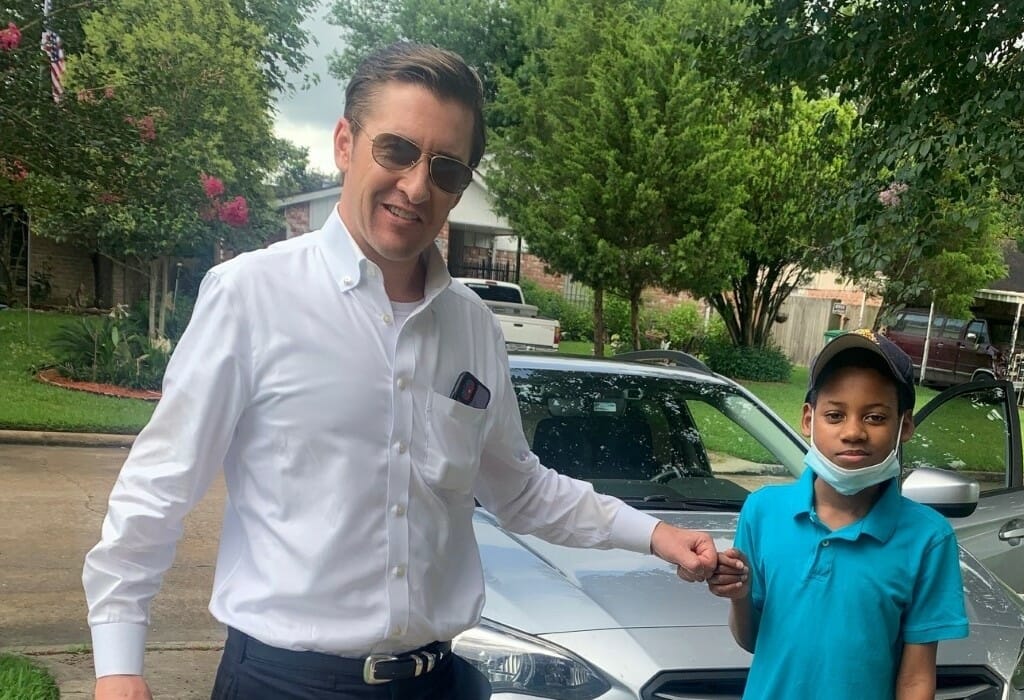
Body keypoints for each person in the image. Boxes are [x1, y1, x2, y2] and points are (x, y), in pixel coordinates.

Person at [84, 41, 717, 700]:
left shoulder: (472, 325)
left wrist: (655, 534)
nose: (417, 186)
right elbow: (160, 486)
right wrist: (119, 664)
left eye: (446, 168)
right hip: (284, 683)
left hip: (436, 680)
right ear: (344, 143)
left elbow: (518, 488)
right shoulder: (252, 295)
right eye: (396, 151)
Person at [707, 329, 968, 700]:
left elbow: (915, 679)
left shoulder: (928, 538)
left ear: (904, 426)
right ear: (809, 420)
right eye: (834, 415)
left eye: (875, 417)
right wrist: (740, 596)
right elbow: (751, 641)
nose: (852, 432)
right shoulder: (763, 512)